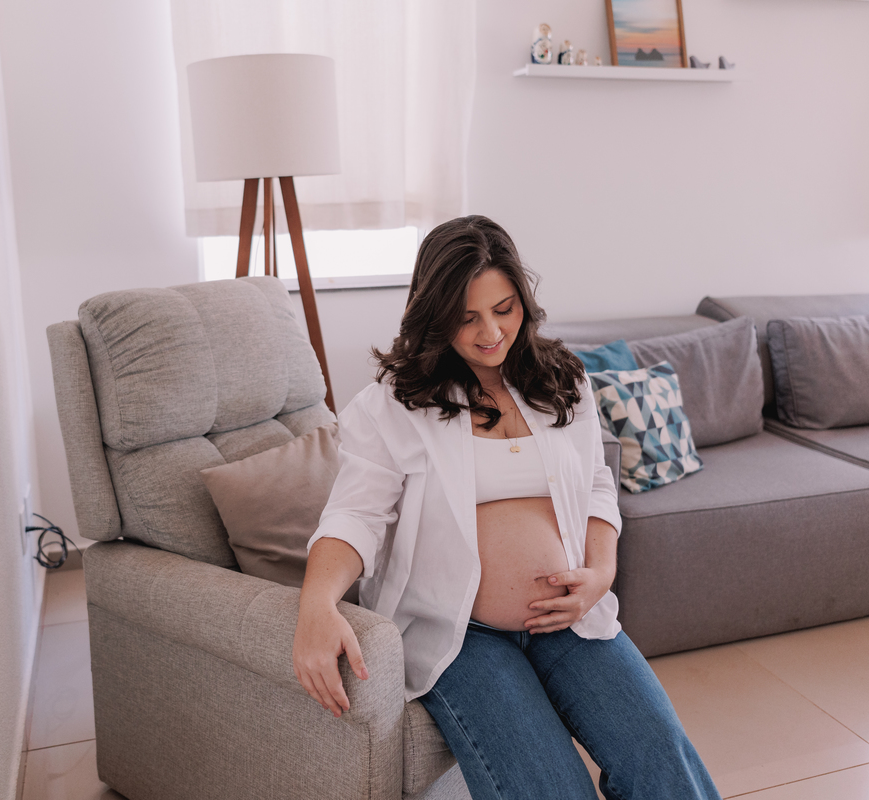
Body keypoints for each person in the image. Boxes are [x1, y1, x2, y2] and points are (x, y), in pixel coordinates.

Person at [292, 216, 720, 800]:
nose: (490, 331)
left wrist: (601, 572)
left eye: (504, 308)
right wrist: (317, 602)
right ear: (434, 315)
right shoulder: (391, 406)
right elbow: (355, 516)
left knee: (661, 757)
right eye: (466, 318)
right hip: (461, 635)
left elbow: (597, 482)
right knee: (551, 788)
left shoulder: (561, 380)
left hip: (568, 617)